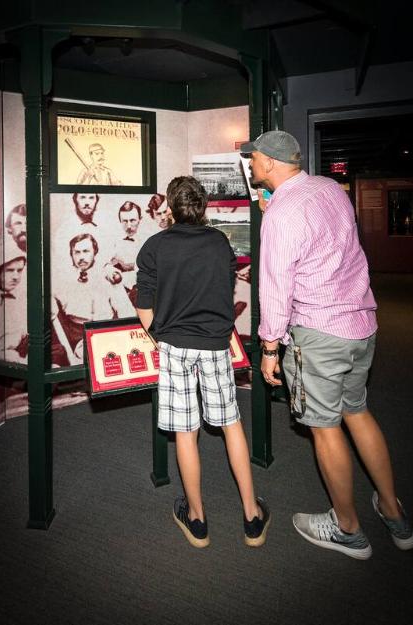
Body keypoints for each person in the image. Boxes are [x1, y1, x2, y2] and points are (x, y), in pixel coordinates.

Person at [242, 130, 413, 559]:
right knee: (357, 411)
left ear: (268, 163)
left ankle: (348, 529)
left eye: (254, 159)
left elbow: (277, 287)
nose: (250, 165)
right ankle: (394, 513)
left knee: (325, 427)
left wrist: (269, 347)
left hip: (319, 333)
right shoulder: (327, 188)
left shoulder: (281, 216)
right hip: (360, 323)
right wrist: (275, 204)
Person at [136, 175, 270, 549]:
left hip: (175, 345)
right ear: (204, 205)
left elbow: (144, 304)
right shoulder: (220, 243)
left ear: (170, 207)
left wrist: (162, 335)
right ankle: (251, 516)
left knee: (185, 432)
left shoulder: (153, 246)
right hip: (215, 343)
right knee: (231, 426)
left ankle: (197, 520)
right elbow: (224, 294)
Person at [52, 233, 133, 365]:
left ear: (94, 252)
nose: (81, 257)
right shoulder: (63, 279)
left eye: (86, 251)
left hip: (107, 330)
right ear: (71, 254)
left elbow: (126, 310)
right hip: (78, 335)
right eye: (76, 252)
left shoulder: (107, 275)